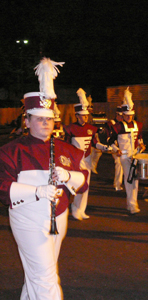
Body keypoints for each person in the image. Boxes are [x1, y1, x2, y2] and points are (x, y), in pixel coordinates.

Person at [0, 58, 88, 300]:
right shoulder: (11, 150)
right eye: (39, 118)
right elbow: (3, 189)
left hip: (58, 216)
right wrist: (37, 191)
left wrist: (69, 175)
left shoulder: (66, 149)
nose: (45, 123)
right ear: (26, 121)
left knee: (40, 273)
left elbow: (84, 183)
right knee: (46, 277)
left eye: (48, 118)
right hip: (27, 217)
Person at [64, 88, 111, 220]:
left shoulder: (91, 128)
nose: (85, 117)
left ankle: (81, 209)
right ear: (77, 115)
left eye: (86, 115)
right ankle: (73, 207)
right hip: (75, 161)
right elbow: (66, 146)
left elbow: (95, 143)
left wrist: (106, 147)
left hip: (87, 159)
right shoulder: (70, 128)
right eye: (82, 115)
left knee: (86, 185)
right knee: (77, 185)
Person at [109, 88, 145, 215]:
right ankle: (132, 204)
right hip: (124, 156)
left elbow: (139, 137)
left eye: (131, 115)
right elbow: (110, 141)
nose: (129, 117)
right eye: (126, 115)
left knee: (135, 180)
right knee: (130, 179)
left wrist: (141, 144)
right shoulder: (117, 127)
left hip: (136, 155)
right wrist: (116, 149)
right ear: (122, 115)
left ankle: (132, 203)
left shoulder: (138, 125)